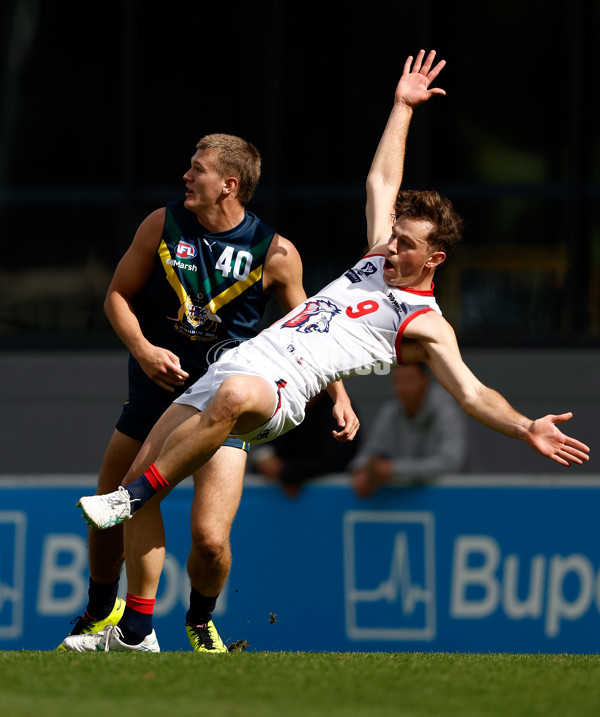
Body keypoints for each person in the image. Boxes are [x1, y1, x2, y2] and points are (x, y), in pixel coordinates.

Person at [63, 50, 590, 653]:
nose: (392, 247)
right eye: (393, 235)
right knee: (155, 480)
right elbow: (381, 181)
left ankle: (140, 517)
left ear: (435, 259)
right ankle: (134, 634)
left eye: (407, 244)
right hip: (234, 364)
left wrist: (526, 427)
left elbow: (470, 393)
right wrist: (401, 107)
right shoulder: (375, 256)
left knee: (188, 448)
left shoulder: (426, 322)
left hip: (278, 391)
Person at [58, 132, 358, 653]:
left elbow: (310, 331)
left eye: (197, 169)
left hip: (224, 405)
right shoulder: (163, 224)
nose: (186, 177)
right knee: (115, 500)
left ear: (229, 185)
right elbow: (116, 297)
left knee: (211, 541)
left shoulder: (277, 253)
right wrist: (146, 350)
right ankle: (107, 611)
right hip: (153, 396)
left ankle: (199, 620)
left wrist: (340, 396)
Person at [351, 363, 468, 497]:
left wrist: (393, 470)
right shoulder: (390, 412)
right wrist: (361, 470)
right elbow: (371, 450)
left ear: (425, 381)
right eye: (398, 381)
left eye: (409, 380)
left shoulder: (447, 412)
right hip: (400, 504)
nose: (403, 388)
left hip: (451, 500)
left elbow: (451, 462)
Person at [251, 389, 360, 498]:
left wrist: (288, 472)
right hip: (283, 500)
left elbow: (337, 458)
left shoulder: (338, 409)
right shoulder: (286, 404)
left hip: (332, 498)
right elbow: (266, 445)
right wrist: (263, 459)